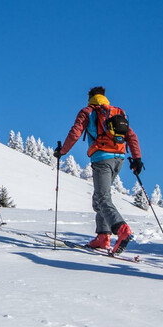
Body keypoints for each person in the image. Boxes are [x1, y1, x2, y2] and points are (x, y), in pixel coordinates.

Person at [54, 86, 142, 254]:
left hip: (102, 158)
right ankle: (103, 236)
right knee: (100, 197)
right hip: (119, 159)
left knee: (102, 197)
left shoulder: (87, 112)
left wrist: (62, 151)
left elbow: (75, 132)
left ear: (90, 98)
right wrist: (137, 159)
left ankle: (122, 229)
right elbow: (131, 135)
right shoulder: (117, 112)